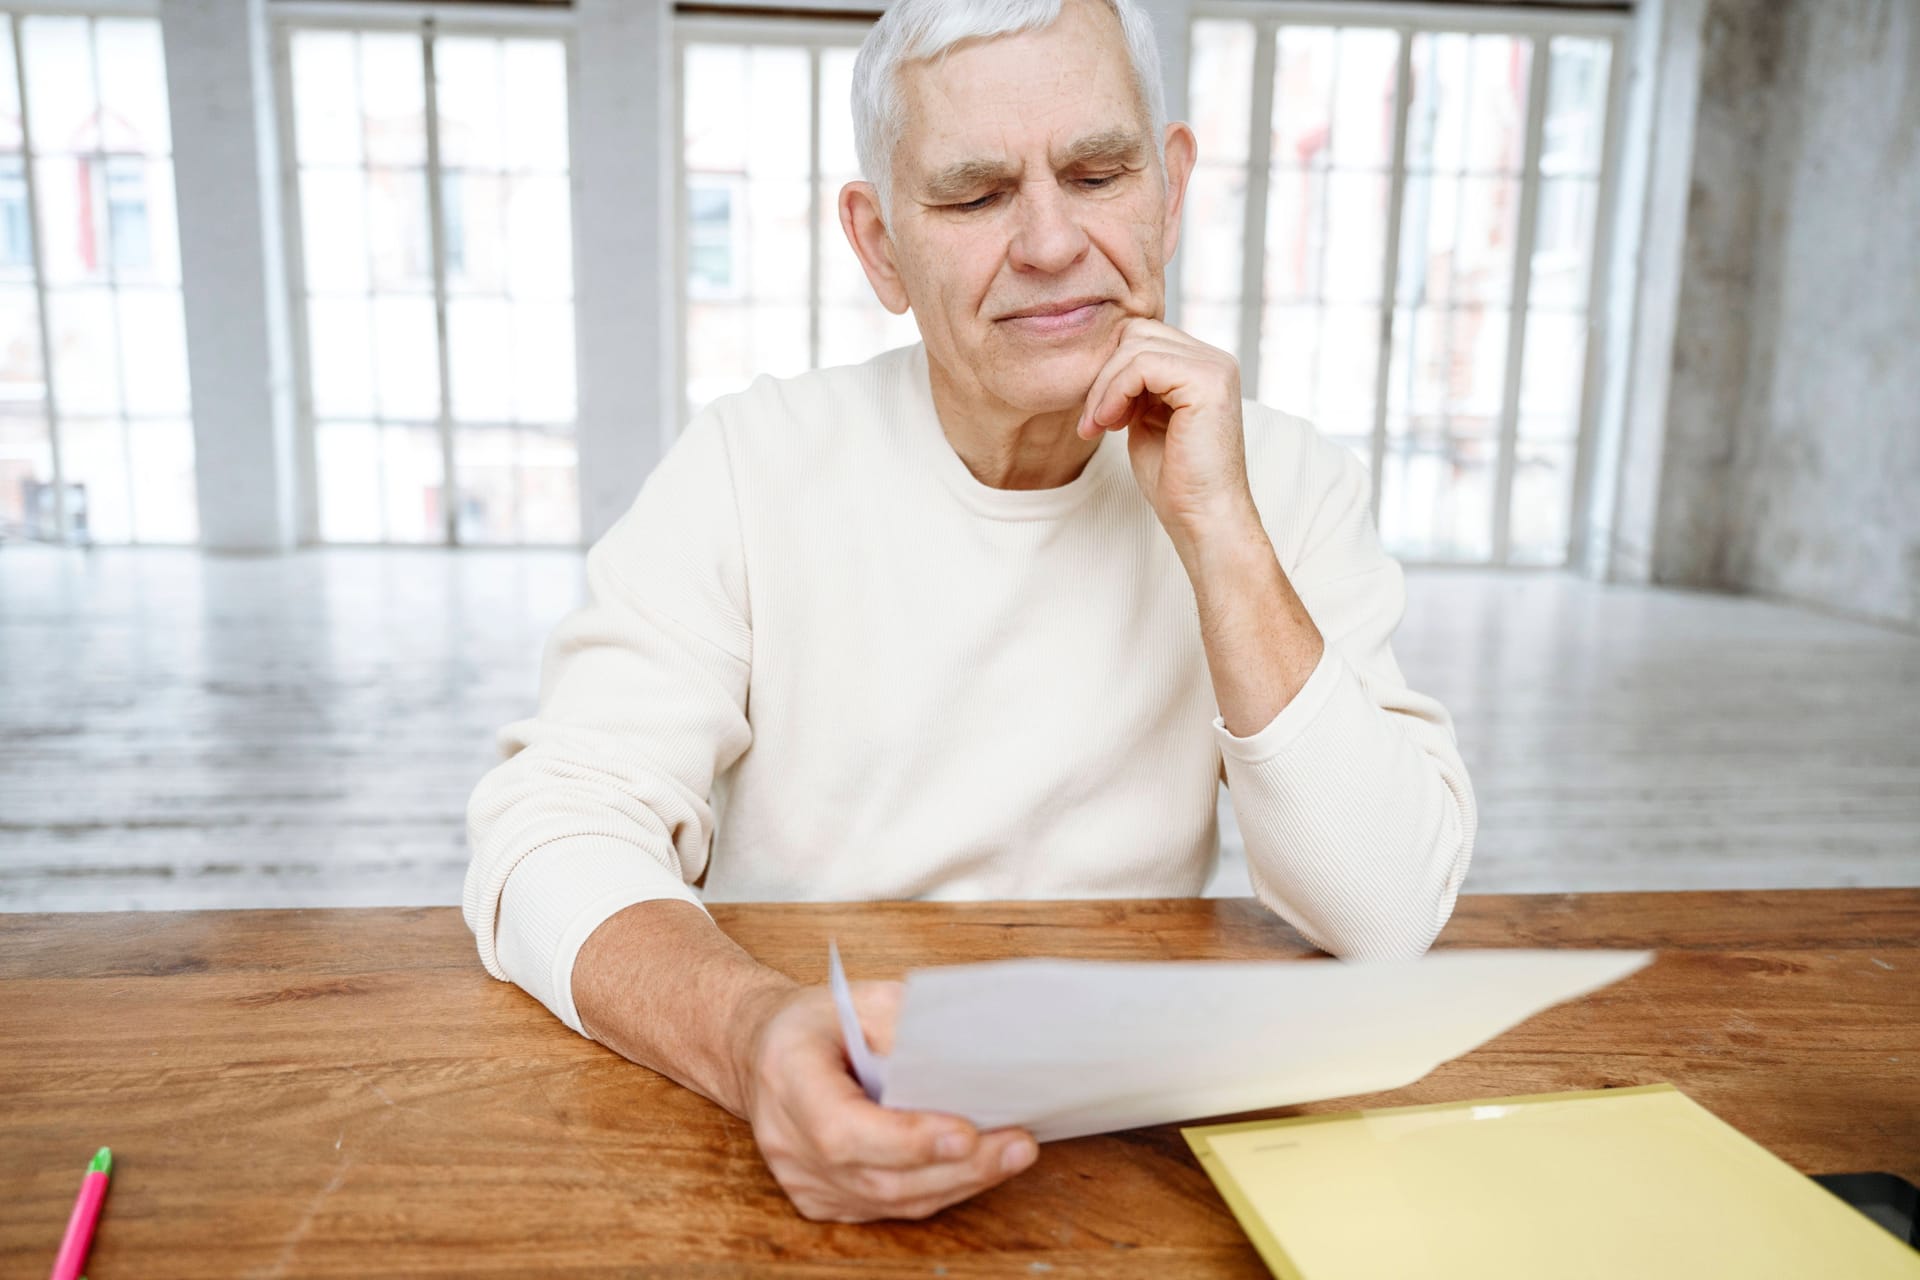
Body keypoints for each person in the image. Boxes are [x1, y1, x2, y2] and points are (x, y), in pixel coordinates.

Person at [463, 0, 1476, 1224]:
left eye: (1099, 174)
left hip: (1131, 1148)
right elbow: (550, 833)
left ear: (1169, 185)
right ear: (880, 244)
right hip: (797, 1123)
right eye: (975, 194)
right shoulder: (751, 463)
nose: (1053, 241)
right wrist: (749, 1036)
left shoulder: (1287, 483)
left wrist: (1221, 534)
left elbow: (1383, 911)